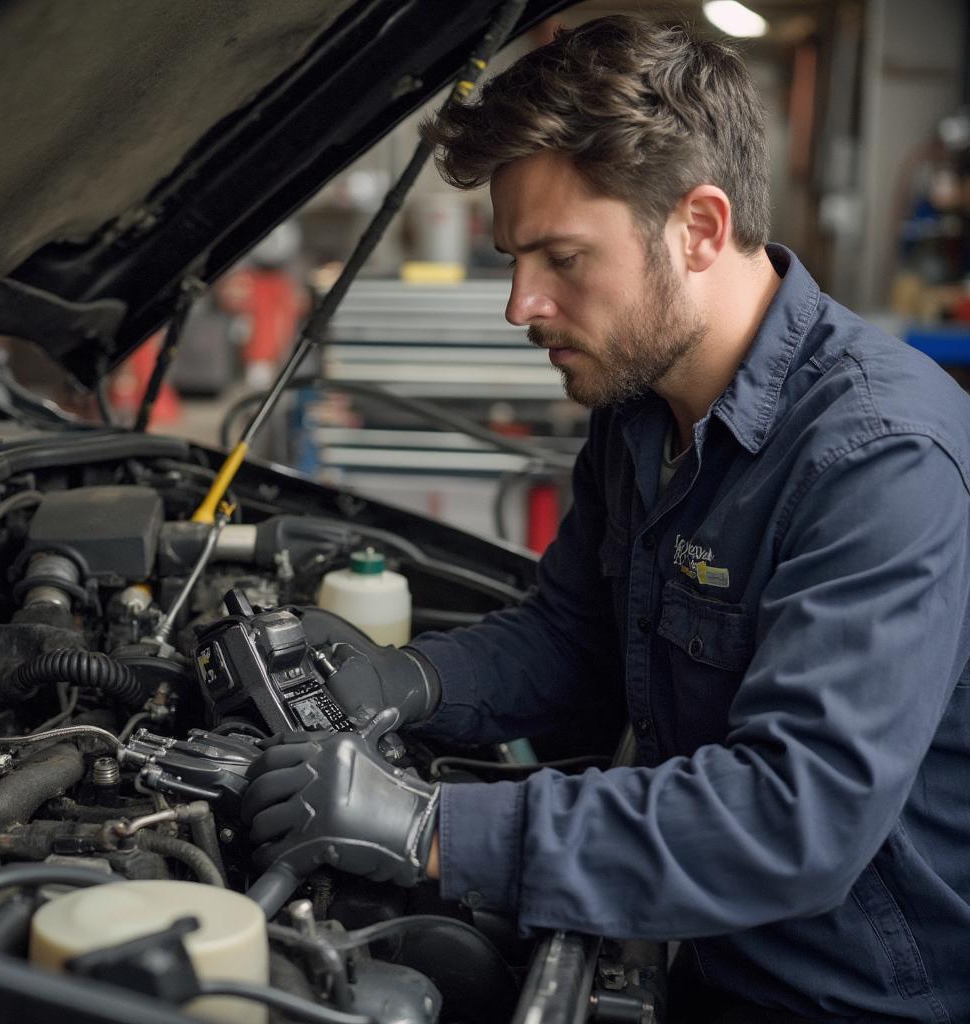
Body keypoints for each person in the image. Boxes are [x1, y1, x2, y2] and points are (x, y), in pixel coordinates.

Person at [242, 16, 970, 1023]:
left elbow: (795, 817)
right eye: (512, 258)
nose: (520, 304)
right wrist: (408, 678)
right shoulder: (641, 412)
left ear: (700, 228)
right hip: (697, 949)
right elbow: (575, 638)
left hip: (850, 995)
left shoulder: (881, 456)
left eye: (561, 258)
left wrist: (426, 825)